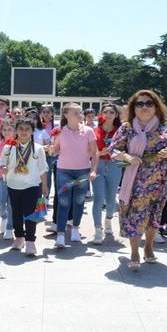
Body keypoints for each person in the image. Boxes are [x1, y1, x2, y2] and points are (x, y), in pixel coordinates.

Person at [109, 90, 167, 270]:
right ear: (133, 107)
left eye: (149, 103)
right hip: (136, 182)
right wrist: (128, 157)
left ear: (156, 106)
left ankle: (148, 246)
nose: (144, 107)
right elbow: (113, 150)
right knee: (136, 216)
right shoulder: (127, 127)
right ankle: (134, 252)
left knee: (154, 215)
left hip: (161, 181)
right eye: (140, 104)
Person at [0, 118, 49, 256]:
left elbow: (43, 169)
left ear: (32, 131)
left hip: (32, 185)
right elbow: (1, 162)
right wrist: (3, 168)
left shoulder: (38, 149)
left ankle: (30, 242)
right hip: (13, 184)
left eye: (27, 129)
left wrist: (44, 185)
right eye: (21, 129)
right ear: (16, 131)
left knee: (30, 214)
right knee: (16, 213)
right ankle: (19, 238)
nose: (24, 132)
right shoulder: (9, 147)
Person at [51, 103, 98, 248]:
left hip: (82, 171)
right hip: (64, 171)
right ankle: (60, 234)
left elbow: (95, 152)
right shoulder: (58, 131)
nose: (80, 115)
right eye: (76, 113)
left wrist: (93, 170)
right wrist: (52, 149)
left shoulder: (89, 130)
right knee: (63, 202)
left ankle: (75, 229)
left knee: (79, 201)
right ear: (66, 115)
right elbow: (55, 151)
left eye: (80, 113)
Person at [91, 104, 123, 244]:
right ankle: (98, 229)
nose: (108, 114)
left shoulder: (121, 131)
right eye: (105, 112)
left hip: (114, 165)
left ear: (116, 115)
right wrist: (99, 153)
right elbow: (89, 151)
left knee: (111, 200)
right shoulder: (94, 130)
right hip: (98, 165)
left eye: (111, 112)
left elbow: (125, 149)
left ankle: (108, 220)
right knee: (98, 199)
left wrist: (115, 153)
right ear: (101, 114)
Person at [0, 119, 16, 240]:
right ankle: (4, 217)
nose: (7, 132)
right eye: (4, 130)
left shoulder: (18, 144)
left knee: (11, 204)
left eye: (10, 130)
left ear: (14, 131)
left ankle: (9, 227)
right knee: (0, 203)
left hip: (14, 179)